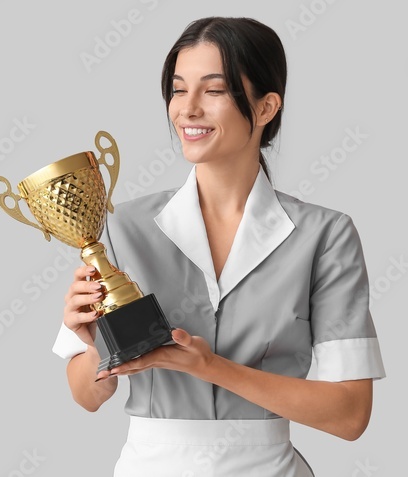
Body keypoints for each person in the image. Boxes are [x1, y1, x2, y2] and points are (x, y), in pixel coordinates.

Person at [51, 17, 386, 476]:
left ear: (266, 107)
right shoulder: (120, 227)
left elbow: (349, 415)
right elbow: (85, 396)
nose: (187, 109)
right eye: (177, 89)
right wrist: (98, 348)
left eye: (213, 90)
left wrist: (209, 366)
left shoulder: (325, 236)